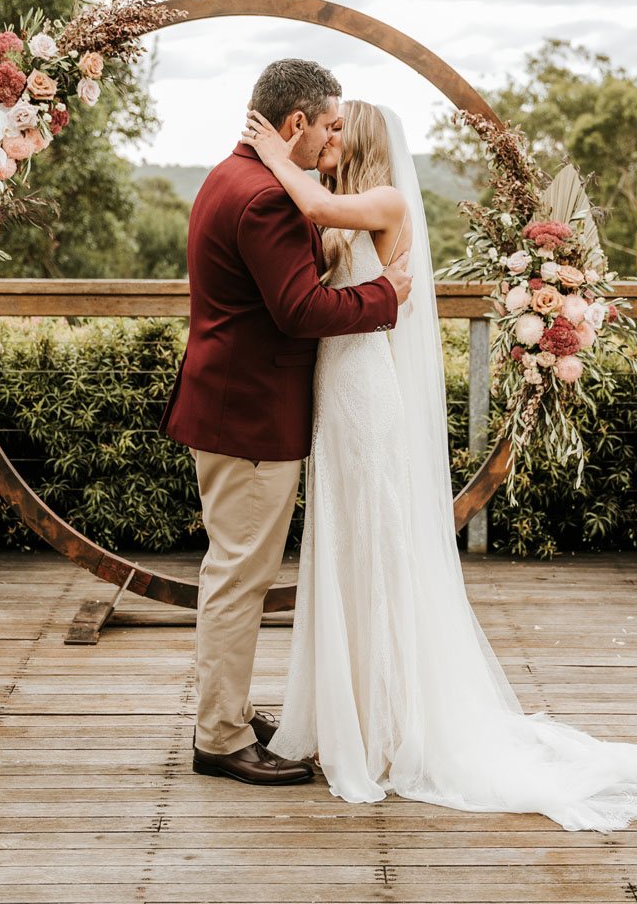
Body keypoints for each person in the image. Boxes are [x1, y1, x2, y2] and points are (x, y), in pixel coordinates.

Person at [240, 98, 637, 832]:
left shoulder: (381, 200)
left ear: (355, 139)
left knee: (376, 550)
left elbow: (316, 201)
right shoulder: (346, 207)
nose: (327, 136)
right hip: (336, 386)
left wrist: (273, 151)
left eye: (335, 129)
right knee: (348, 548)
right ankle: (342, 715)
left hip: (364, 392)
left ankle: (386, 728)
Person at [159, 60, 413, 786]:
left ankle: (230, 712)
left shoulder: (224, 176)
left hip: (230, 404)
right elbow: (300, 311)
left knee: (234, 570)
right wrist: (383, 298)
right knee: (241, 577)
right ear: (294, 125)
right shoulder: (267, 199)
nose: (335, 136)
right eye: (327, 125)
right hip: (249, 418)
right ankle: (219, 737)